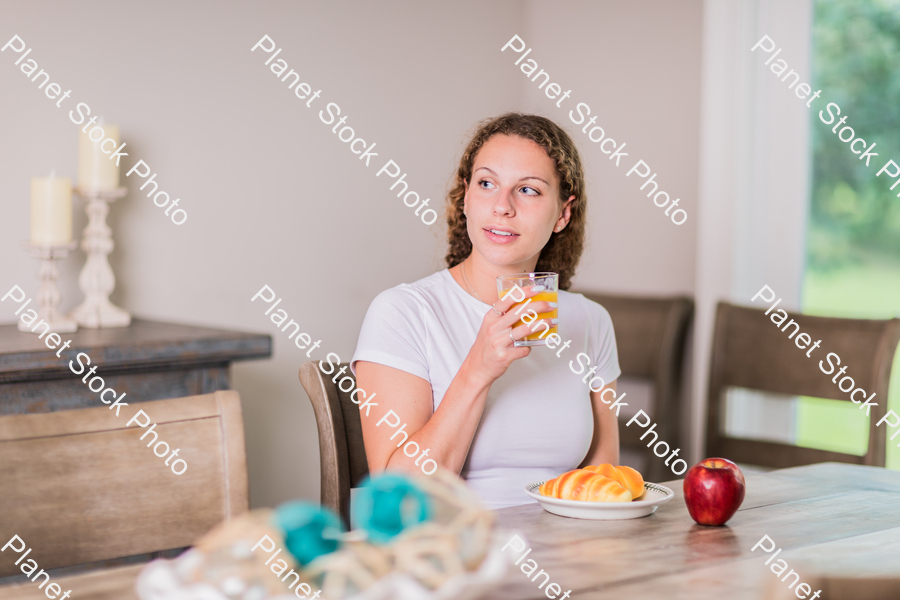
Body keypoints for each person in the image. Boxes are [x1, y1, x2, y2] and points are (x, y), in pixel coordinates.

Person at [351, 113, 621, 509]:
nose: (502, 206)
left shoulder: (591, 321)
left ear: (563, 213)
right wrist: (478, 369)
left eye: (528, 190)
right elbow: (398, 502)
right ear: (466, 197)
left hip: (562, 556)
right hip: (449, 553)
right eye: (487, 183)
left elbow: (601, 478)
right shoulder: (403, 313)